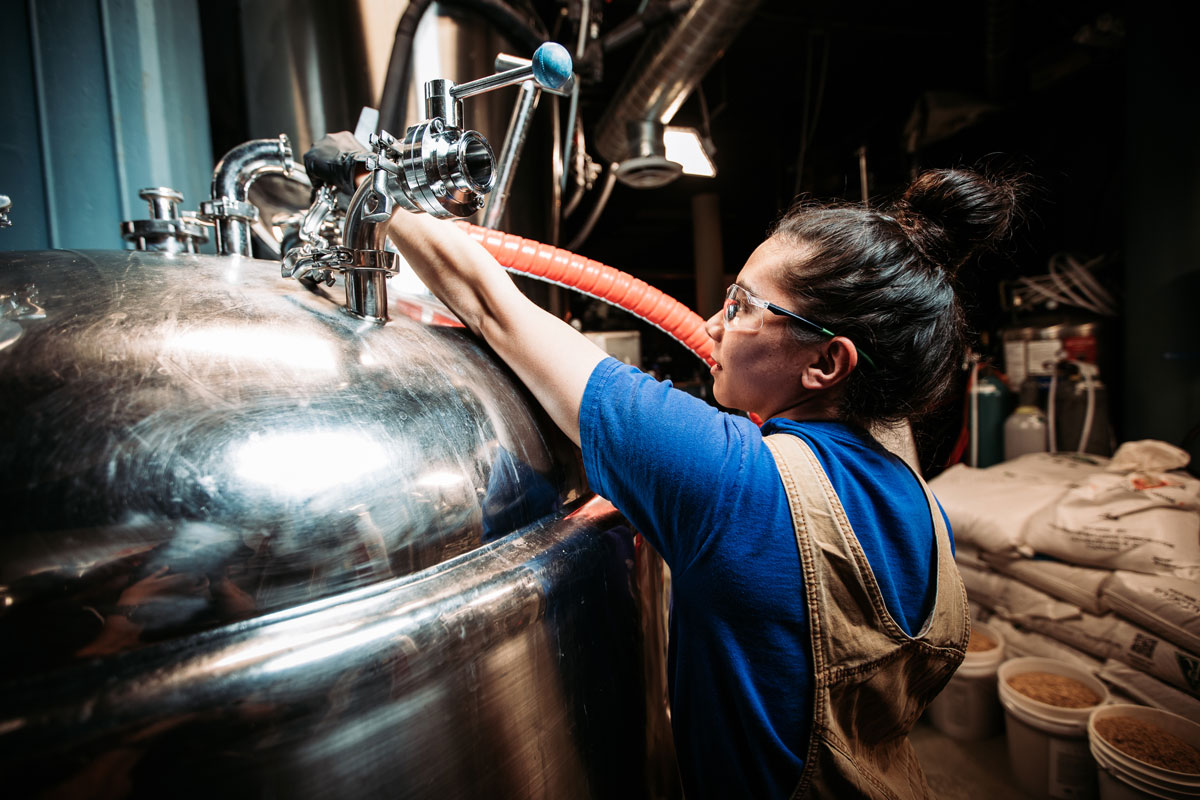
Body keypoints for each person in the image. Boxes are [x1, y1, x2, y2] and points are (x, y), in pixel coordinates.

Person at [307, 141, 1019, 799]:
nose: (712, 324)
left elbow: (493, 307)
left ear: (827, 362)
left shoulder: (733, 483)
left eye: (741, 306)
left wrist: (373, 187)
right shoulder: (921, 505)